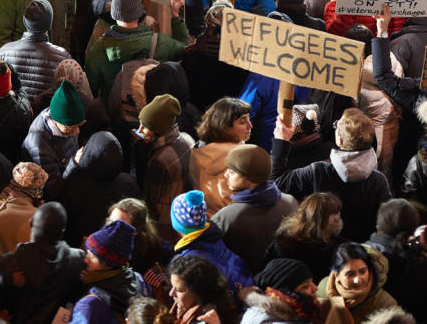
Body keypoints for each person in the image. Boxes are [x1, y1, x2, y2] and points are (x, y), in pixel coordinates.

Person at [271, 108, 391, 242]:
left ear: (339, 140)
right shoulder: (379, 181)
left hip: (320, 246)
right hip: (359, 251)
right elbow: (385, 224)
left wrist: (281, 142)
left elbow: (277, 183)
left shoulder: (317, 171)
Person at [212, 144, 298, 274]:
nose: (226, 175)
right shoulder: (290, 202)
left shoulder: (226, 218)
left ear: (248, 178)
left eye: (232, 172)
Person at [134, 94, 193, 241]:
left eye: (145, 127)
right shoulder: (187, 139)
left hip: (165, 228)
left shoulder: (159, 160)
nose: (139, 130)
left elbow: (151, 205)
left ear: (159, 129)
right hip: (184, 219)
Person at [0, 0, 72, 99]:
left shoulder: (3, 52)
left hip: (16, 113)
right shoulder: (63, 57)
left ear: (24, 21)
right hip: (47, 113)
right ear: (49, 23)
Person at [21, 80, 85, 197]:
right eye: (71, 127)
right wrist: (75, 163)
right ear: (55, 120)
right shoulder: (38, 146)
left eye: (79, 125)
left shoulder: (65, 122)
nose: (77, 132)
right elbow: (51, 190)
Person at [71, 220, 141, 324]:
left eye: (92, 256)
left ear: (108, 264)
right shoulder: (139, 280)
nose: (86, 259)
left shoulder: (89, 306)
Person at [316, 243, 398, 323]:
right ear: (337, 275)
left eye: (363, 272)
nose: (358, 280)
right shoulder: (323, 289)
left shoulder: (385, 305)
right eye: (350, 274)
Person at [166, 254, 239, 324]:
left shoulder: (206, 319)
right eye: (172, 287)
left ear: (199, 293)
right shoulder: (179, 309)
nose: (171, 293)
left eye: (179, 290)